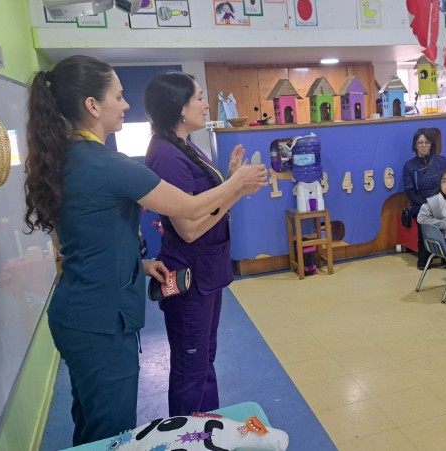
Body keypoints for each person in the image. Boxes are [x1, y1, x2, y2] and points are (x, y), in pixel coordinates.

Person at [23, 55, 267, 446]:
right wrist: (237, 183)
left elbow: (93, 234)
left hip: (84, 310)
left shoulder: (71, 157)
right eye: (118, 96)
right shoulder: (109, 164)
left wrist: (140, 262)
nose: (125, 105)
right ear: (92, 105)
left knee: (92, 422)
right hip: (100, 318)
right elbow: (190, 210)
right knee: (111, 431)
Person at [143, 71, 251, 416]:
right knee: (191, 367)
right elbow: (189, 229)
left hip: (206, 271)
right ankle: (187, 435)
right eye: (200, 98)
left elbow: (207, 203)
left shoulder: (183, 145)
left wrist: (231, 181)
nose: (206, 105)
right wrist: (235, 188)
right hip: (190, 275)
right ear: (180, 107)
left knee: (204, 358)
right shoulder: (166, 155)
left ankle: (206, 428)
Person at [403, 128, 446, 269]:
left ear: (432, 144)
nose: (424, 145)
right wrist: (428, 204)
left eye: (427, 142)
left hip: (442, 201)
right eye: (420, 143)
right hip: (420, 204)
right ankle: (424, 258)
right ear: (415, 145)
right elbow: (410, 192)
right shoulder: (409, 166)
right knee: (424, 217)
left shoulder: (442, 162)